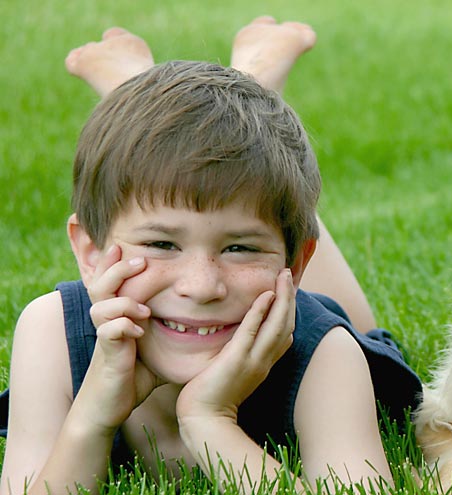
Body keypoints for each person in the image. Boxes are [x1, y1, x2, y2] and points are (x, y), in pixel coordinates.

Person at [0, 17, 421, 494]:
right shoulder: (50, 331)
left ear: (296, 264)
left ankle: (237, 94)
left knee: (357, 325)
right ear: (90, 252)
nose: (200, 287)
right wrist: (92, 417)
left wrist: (209, 419)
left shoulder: (325, 354)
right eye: (161, 244)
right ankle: (153, 98)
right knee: (234, 195)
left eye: (240, 247)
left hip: (301, 320)